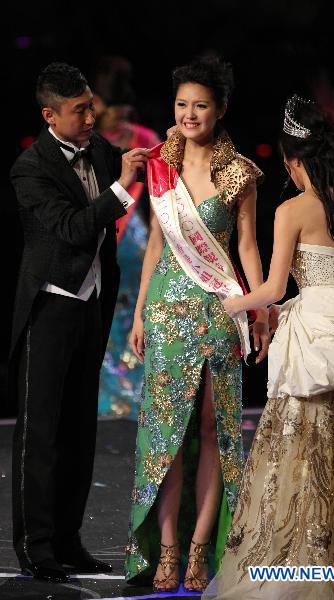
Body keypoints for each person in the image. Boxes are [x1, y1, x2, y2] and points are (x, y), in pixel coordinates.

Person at [203, 94, 334, 599]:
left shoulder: (293, 209)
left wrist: (228, 304)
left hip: (316, 340)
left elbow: (274, 291)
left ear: (294, 160)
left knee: (303, 454)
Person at [125, 54, 269, 592]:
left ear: (221, 109)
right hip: (166, 309)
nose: (189, 114)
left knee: (211, 430)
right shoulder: (161, 163)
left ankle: (199, 549)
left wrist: (258, 308)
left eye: (200, 105)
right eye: (182, 104)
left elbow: (249, 248)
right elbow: (157, 244)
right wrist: (140, 309)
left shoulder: (240, 174)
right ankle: (164, 549)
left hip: (217, 311)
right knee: (167, 433)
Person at [9, 62, 148, 583]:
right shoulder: (30, 168)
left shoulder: (101, 151)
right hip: (49, 306)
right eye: (79, 110)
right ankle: (35, 544)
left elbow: (142, 162)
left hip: (91, 303)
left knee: (79, 431)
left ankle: (69, 539)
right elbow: (70, 228)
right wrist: (121, 187)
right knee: (40, 433)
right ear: (50, 115)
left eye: (91, 105)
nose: (92, 117)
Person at [92, 55, 161, 419]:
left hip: (131, 232)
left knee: (134, 308)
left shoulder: (143, 139)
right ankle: (115, 396)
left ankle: (132, 393)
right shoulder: (98, 140)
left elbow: (160, 192)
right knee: (111, 309)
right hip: (112, 230)